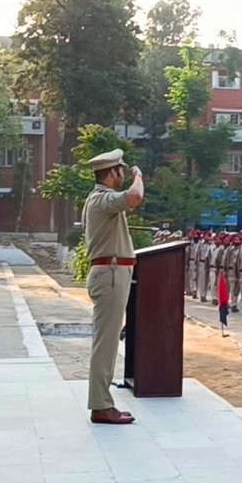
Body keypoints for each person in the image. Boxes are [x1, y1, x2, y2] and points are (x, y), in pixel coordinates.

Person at [83, 149, 144, 425]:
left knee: (106, 342)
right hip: (109, 274)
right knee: (105, 343)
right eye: (121, 170)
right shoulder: (102, 199)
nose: (125, 174)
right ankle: (100, 405)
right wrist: (139, 176)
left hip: (113, 272)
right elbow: (135, 196)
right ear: (112, 173)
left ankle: (102, 402)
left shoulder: (102, 200)